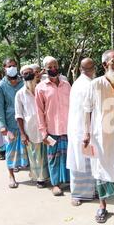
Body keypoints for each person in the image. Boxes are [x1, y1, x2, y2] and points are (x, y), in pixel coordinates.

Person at [83, 50, 114, 225]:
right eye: (113, 62)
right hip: (100, 136)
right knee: (100, 169)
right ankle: (102, 206)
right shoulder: (96, 84)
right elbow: (87, 110)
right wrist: (86, 133)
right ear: (105, 65)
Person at [35, 56, 71, 196]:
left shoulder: (66, 84)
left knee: (67, 156)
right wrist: (43, 132)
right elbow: (39, 111)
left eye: (55, 65)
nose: (53, 69)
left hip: (67, 128)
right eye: (50, 67)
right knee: (53, 158)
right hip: (51, 129)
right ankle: (55, 184)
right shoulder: (40, 88)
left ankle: (67, 181)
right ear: (45, 69)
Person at [67, 58, 98, 206]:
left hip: (78, 129)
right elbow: (90, 110)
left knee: (82, 161)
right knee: (83, 161)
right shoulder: (89, 84)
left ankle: (83, 193)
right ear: (93, 69)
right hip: (85, 130)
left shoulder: (77, 83)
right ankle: (80, 194)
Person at [0, 58, 29, 188]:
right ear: (4, 68)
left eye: (14, 65)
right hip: (10, 123)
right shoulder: (1, 86)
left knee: (28, 148)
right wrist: (2, 126)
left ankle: (34, 173)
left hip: (25, 121)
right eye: (9, 66)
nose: (12, 68)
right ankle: (11, 176)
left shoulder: (24, 82)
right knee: (10, 150)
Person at [15, 65, 50, 188]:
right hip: (30, 130)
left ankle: (51, 177)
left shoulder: (42, 89)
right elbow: (18, 115)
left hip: (47, 127)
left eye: (31, 72)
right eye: (25, 73)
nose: (29, 75)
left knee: (48, 152)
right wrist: (23, 134)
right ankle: (39, 179)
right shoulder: (20, 94)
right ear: (22, 76)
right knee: (35, 155)